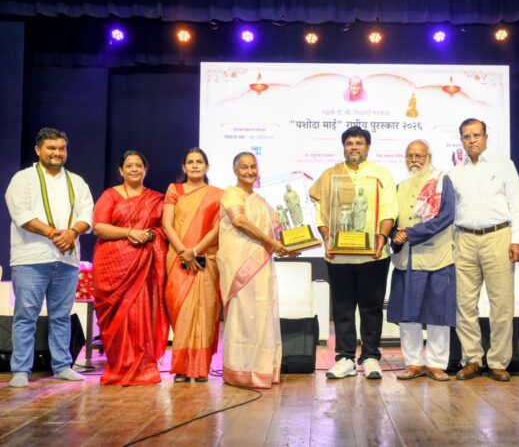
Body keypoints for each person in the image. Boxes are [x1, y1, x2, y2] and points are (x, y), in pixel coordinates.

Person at [4, 127, 94, 388]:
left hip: (66, 260)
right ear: (38, 150)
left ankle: (62, 366)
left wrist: (72, 233)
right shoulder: (23, 179)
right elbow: (22, 216)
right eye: (51, 148)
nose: (57, 153)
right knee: (26, 316)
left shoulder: (77, 181)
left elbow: (87, 215)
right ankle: (21, 369)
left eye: (61, 148)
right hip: (31, 258)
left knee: (61, 316)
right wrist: (55, 233)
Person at [309, 126, 398, 380]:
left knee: (371, 307)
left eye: (359, 143)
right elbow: (320, 211)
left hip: (373, 254)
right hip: (339, 255)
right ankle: (345, 358)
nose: (354, 147)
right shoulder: (330, 175)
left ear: (367, 147)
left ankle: (370, 357)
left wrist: (381, 237)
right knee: (343, 308)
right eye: (349, 143)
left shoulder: (381, 174)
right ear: (344, 147)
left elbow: (389, 210)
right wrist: (327, 237)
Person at [448, 118, 519, 382]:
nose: (471, 140)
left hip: (498, 237)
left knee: (501, 304)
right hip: (464, 239)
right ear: (461, 140)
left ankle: (497, 361)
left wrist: (517, 239)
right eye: (466, 136)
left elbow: (517, 203)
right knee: (464, 304)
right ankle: (472, 359)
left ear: (486, 137)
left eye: (476, 135)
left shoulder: (503, 165)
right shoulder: (455, 172)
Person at [218, 152, 296, 389]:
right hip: (238, 265)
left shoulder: (261, 200)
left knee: (262, 312)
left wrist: (292, 245)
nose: (250, 171)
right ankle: (240, 370)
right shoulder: (231, 194)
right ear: (235, 171)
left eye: (253, 166)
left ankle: (261, 369)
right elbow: (240, 222)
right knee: (242, 315)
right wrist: (272, 243)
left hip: (261, 265)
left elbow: (278, 227)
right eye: (244, 167)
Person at [92, 150, 168, 385]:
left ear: (145, 170)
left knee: (140, 316)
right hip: (112, 267)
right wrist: (129, 232)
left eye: (138, 165)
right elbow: (99, 227)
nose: (134, 169)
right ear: (121, 170)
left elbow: (165, 229)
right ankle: (118, 368)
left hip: (143, 267)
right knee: (117, 318)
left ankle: (144, 369)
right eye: (129, 165)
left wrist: (151, 235)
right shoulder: (110, 196)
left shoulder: (156, 199)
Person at [388, 140, 456, 382]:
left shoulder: (441, 181)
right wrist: (395, 236)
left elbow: (447, 216)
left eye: (419, 155)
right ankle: (413, 363)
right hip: (406, 260)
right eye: (410, 156)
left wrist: (412, 233)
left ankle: (437, 364)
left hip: (436, 258)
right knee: (407, 315)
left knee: (438, 313)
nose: (414, 160)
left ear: (429, 157)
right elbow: (391, 219)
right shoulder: (400, 186)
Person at [162, 148, 223, 383]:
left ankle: (200, 368)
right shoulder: (174, 190)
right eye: (190, 162)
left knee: (206, 312)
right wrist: (183, 252)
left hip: (206, 259)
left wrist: (195, 251)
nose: (195, 165)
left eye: (199, 162)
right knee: (181, 311)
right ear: (184, 167)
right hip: (178, 260)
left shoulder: (218, 195)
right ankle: (181, 367)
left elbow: (217, 229)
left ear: (207, 167)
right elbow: (167, 225)